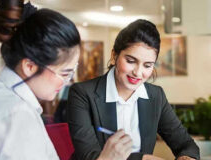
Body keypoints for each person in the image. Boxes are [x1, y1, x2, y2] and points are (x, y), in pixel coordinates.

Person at [67, 19, 200, 160]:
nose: (138, 72)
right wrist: (143, 158)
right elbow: (89, 156)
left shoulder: (155, 96)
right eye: (131, 61)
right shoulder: (82, 94)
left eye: (147, 65)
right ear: (114, 56)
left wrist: (187, 157)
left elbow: (186, 144)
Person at [0, 0, 81, 159]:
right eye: (64, 73)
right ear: (30, 67)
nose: (67, 81)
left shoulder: (1, 94)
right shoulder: (17, 116)